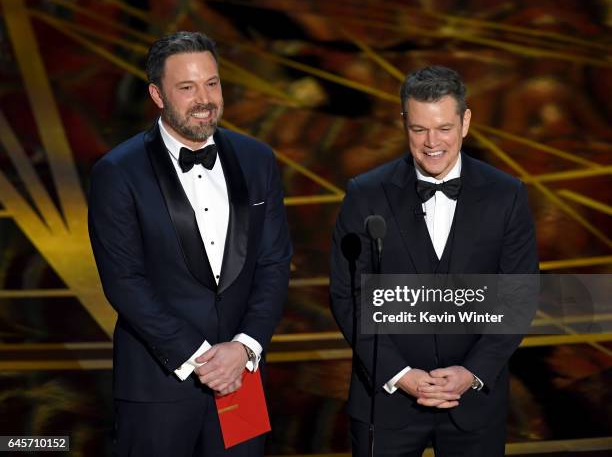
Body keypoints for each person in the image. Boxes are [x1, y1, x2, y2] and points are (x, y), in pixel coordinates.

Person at [88, 31, 292, 456]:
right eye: (187, 87)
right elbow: (124, 281)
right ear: (157, 95)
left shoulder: (257, 159)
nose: (204, 99)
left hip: (243, 377)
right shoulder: (118, 171)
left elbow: (274, 262)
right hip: (158, 386)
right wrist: (201, 358)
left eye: (212, 83)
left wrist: (245, 346)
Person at [330, 66, 538, 456]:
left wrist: (472, 373)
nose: (432, 143)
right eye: (419, 129)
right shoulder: (365, 194)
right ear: (404, 124)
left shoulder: (506, 195)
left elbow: (519, 296)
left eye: (443, 128)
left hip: (474, 407)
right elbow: (349, 295)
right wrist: (399, 374)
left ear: (465, 122)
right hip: (386, 401)